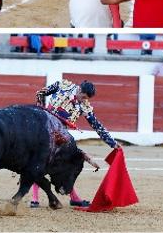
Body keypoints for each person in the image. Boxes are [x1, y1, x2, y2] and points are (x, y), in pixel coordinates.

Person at [31, 79, 120, 208]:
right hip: (43, 128)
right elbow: (40, 93)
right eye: (83, 97)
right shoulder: (62, 85)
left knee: (68, 164)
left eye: (86, 99)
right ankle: (35, 198)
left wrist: (112, 143)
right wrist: (42, 111)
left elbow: (97, 126)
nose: (83, 100)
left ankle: (73, 197)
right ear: (79, 90)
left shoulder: (85, 106)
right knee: (40, 160)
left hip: (60, 136)